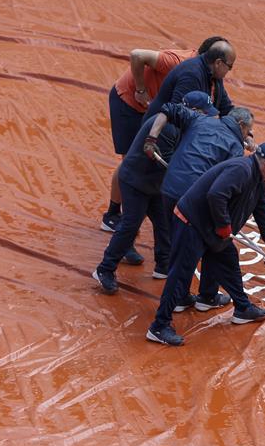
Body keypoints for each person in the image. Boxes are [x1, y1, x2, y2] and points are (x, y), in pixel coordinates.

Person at [146, 142, 265, 346]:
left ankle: (241, 308)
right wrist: (224, 225)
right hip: (192, 223)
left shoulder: (258, 183)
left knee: (228, 260)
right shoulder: (241, 170)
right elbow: (216, 194)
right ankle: (159, 326)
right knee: (180, 274)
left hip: (210, 228)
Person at [101, 36, 227, 246]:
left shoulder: (209, 74)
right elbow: (137, 55)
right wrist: (141, 90)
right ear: (212, 59)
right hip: (129, 102)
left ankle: (129, 220)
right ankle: (114, 214)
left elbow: (219, 102)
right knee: (132, 162)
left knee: (146, 167)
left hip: (156, 112)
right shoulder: (178, 62)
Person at [92, 91, 220, 295]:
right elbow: (175, 164)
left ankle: (163, 265)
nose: (207, 119)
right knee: (130, 224)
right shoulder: (169, 129)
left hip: (155, 183)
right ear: (194, 111)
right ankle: (105, 269)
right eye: (205, 114)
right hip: (136, 181)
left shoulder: (178, 124)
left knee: (164, 224)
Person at [142, 97, 256, 305]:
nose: (249, 135)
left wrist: (151, 139)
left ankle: (181, 291)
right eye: (249, 130)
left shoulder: (201, 120)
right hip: (192, 199)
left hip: (169, 188)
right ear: (241, 126)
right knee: (199, 248)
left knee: (176, 243)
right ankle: (187, 299)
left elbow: (167, 108)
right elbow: (223, 188)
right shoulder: (234, 147)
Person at [142, 40, 236, 122]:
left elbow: (225, 107)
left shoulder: (215, 77)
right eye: (230, 66)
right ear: (218, 63)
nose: (229, 71)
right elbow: (177, 113)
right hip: (160, 132)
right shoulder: (191, 75)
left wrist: (243, 127)